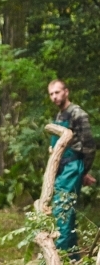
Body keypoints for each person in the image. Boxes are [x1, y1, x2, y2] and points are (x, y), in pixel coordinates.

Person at [47, 79, 96, 254]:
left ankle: (63, 255)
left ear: (66, 92)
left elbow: (89, 146)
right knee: (66, 209)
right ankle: (73, 255)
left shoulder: (77, 114)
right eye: (51, 94)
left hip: (72, 166)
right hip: (61, 168)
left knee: (63, 209)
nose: (54, 97)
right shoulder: (60, 115)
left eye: (57, 92)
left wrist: (84, 170)